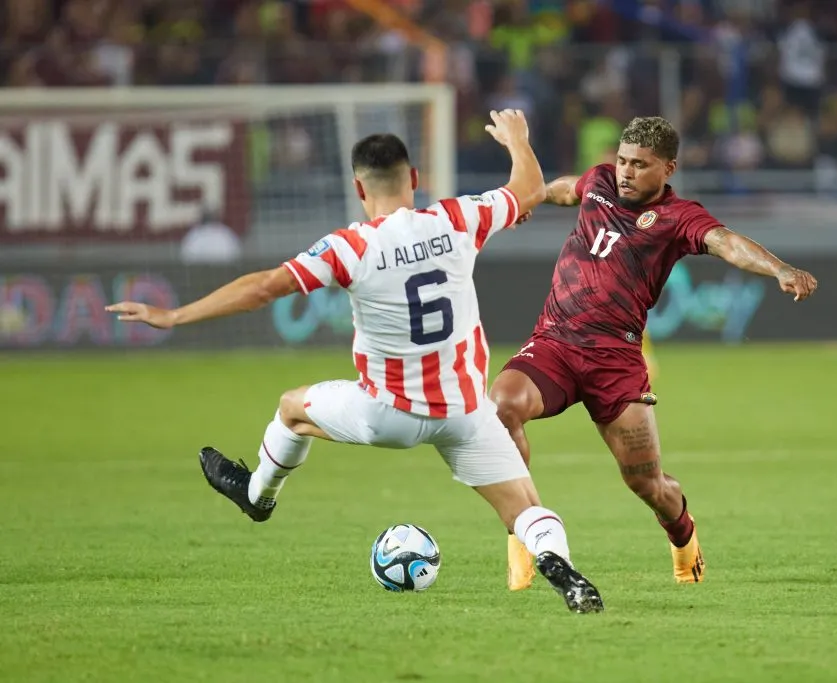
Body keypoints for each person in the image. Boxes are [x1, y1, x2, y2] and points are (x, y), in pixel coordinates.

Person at [105, 111, 604, 614]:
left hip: (385, 413)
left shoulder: (350, 247)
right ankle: (565, 571)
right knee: (525, 508)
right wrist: (517, 139)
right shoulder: (458, 219)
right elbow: (531, 187)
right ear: (414, 180)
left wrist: (173, 315)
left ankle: (257, 495)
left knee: (292, 409)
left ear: (359, 190)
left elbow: (261, 288)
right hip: (463, 412)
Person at [492, 116, 819, 591]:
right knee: (500, 407)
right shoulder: (600, 182)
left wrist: (778, 269)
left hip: (616, 362)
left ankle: (684, 537)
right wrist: (532, 197)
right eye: (622, 160)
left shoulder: (679, 217)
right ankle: (523, 534)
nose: (625, 171)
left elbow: (726, 242)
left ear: (667, 168)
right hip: (555, 343)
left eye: (640, 165)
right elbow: (566, 189)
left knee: (648, 485)